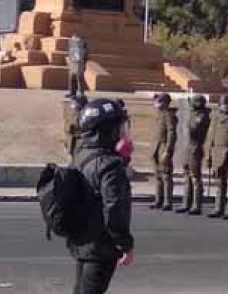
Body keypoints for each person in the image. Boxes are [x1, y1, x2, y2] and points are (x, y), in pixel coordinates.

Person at [68, 98, 135, 294]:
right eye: (119, 127)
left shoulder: (80, 156)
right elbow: (114, 208)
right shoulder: (110, 165)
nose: (122, 132)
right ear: (107, 130)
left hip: (81, 241)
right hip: (100, 246)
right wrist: (124, 244)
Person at [176, 95, 212, 215]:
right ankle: (186, 202)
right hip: (187, 147)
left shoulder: (202, 116)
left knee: (195, 177)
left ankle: (197, 204)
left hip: (195, 147)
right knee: (186, 176)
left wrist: (187, 122)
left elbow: (194, 128)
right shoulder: (192, 114)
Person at [149, 93, 177, 211]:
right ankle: (158, 199)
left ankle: (167, 201)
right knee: (158, 175)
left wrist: (168, 150)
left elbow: (171, 133)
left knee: (166, 175)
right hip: (156, 146)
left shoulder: (169, 115)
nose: (157, 103)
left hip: (164, 146)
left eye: (160, 101)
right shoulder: (158, 114)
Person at [66, 34, 88, 99]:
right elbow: (70, 53)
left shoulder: (82, 46)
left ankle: (81, 93)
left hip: (79, 63)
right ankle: (72, 93)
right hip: (73, 63)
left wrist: (84, 63)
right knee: (72, 79)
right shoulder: (72, 45)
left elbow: (85, 56)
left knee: (79, 78)